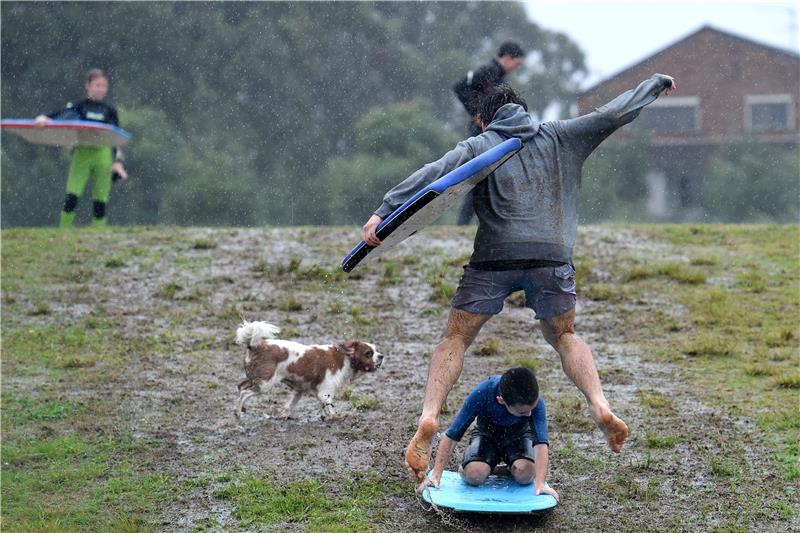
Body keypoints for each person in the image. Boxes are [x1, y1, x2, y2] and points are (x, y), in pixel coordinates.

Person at [361, 73, 677, 484]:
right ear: (524, 111)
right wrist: (654, 85)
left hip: (495, 255)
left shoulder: (480, 144)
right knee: (565, 335)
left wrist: (385, 211)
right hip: (552, 255)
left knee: (456, 337)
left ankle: (428, 417)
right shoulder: (563, 135)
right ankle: (599, 404)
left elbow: (433, 176)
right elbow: (612, 114)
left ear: (482, 121)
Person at [421, 367, 558, 501]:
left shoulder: (536, 402)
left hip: (519, 435)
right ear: (501, 400)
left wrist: (540, 483)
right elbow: (452, 435)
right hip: (487, 435)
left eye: (531, 409)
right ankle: (471, 467)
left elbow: (541, 443)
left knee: (526, 475)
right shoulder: (483, 393)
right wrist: (436, 475)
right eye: (523, 412)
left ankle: (505, 468)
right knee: (474, 475)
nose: (529, 414)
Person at [35, 68, 128, 228]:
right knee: (72, 196)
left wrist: (118, 161)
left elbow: (117, 137)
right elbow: (62, 113)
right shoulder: (80, 106)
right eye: (97, 85)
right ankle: (64, 231)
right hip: (82, 154)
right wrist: (46, 118)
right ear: (88, 85)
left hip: (103, 156)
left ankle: (99, 233)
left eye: (104, 86)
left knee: (100, 200)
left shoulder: (110, 110)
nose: (101, 89)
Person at [453, 41, 525, 225]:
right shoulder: (489, 71)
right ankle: (464, 222)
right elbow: (460, 86)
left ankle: (475, 221)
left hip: (488, 128)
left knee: (486, 175)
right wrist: (475, 112)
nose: (515, 69)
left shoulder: (498, 75)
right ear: (508, 57)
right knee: (480, 174)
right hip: (481, 130)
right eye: (516, 64)